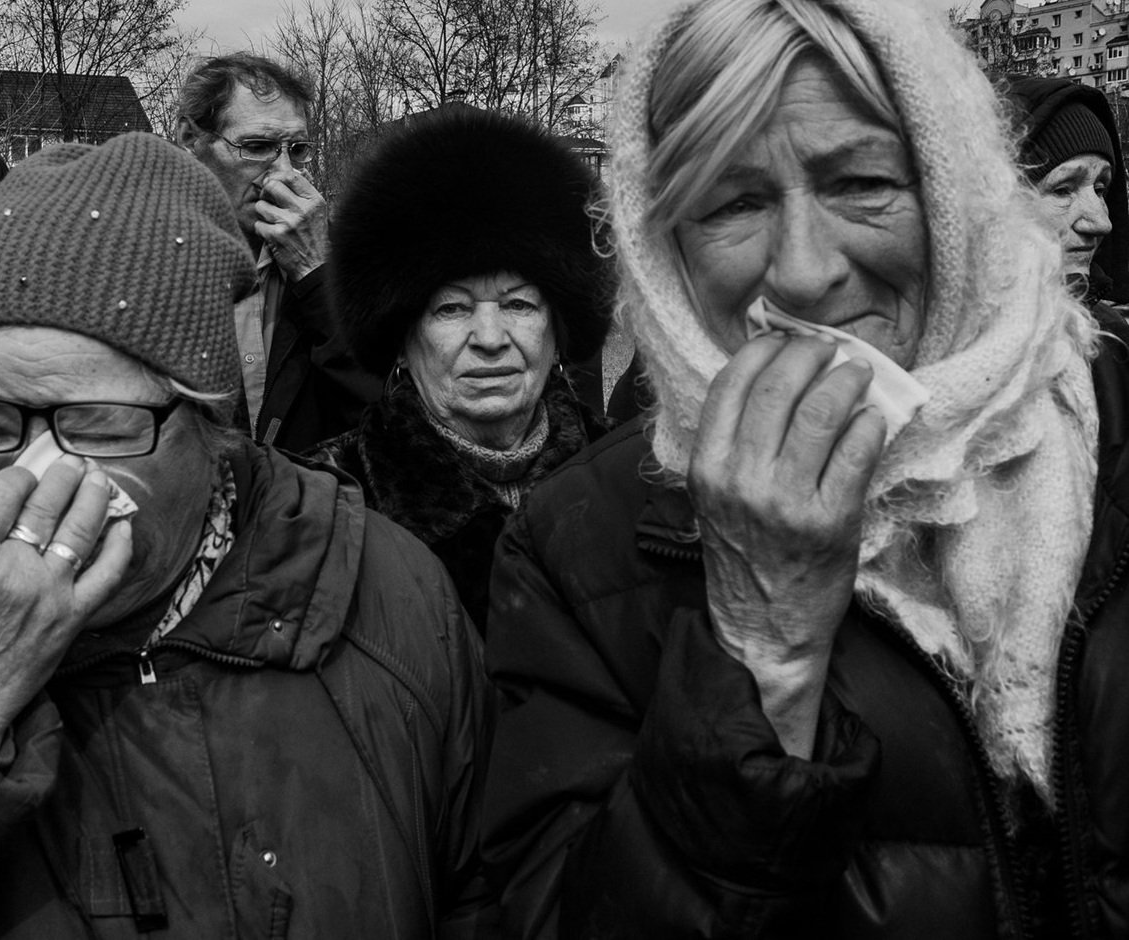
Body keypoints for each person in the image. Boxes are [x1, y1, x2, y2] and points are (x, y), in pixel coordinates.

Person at [481, 1, 1129, 937]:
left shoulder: (1112, 424)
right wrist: (762, 649)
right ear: (664, 242)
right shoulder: (571, 545)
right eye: (732, 203)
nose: (801, 271)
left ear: (950, 188)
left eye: (860, 182)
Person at [0, 132, 488, 937]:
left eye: (96, 426)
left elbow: (476, 894)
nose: (31, 474)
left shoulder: (384, 591)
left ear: (208, 425)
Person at [312, 109, 612, 633]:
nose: (491, 338)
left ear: (558, 330)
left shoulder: (627, 487)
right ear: (401, 341)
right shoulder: (328, 507)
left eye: (519, 305)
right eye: (452, 308)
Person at [176, 53, 378, 454]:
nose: (284, 173)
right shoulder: (147, 258)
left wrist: (317, 275)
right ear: (190, 140)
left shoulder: (347, 262)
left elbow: (381, 417)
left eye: (298, 149)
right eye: (258, 146)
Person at [1003, 74, 1129, 307]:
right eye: (1062, 190)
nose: (1102, 223)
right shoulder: (927, 338)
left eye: (1100, 189)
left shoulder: (1110, 335)